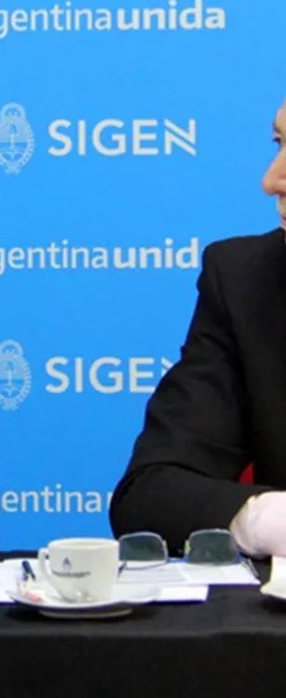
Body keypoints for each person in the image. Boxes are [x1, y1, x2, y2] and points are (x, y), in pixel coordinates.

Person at [110, 97, 286, 556]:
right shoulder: (248, 281)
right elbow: (151, 493)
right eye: (279, 143)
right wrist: (265, 520)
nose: (271, 180)